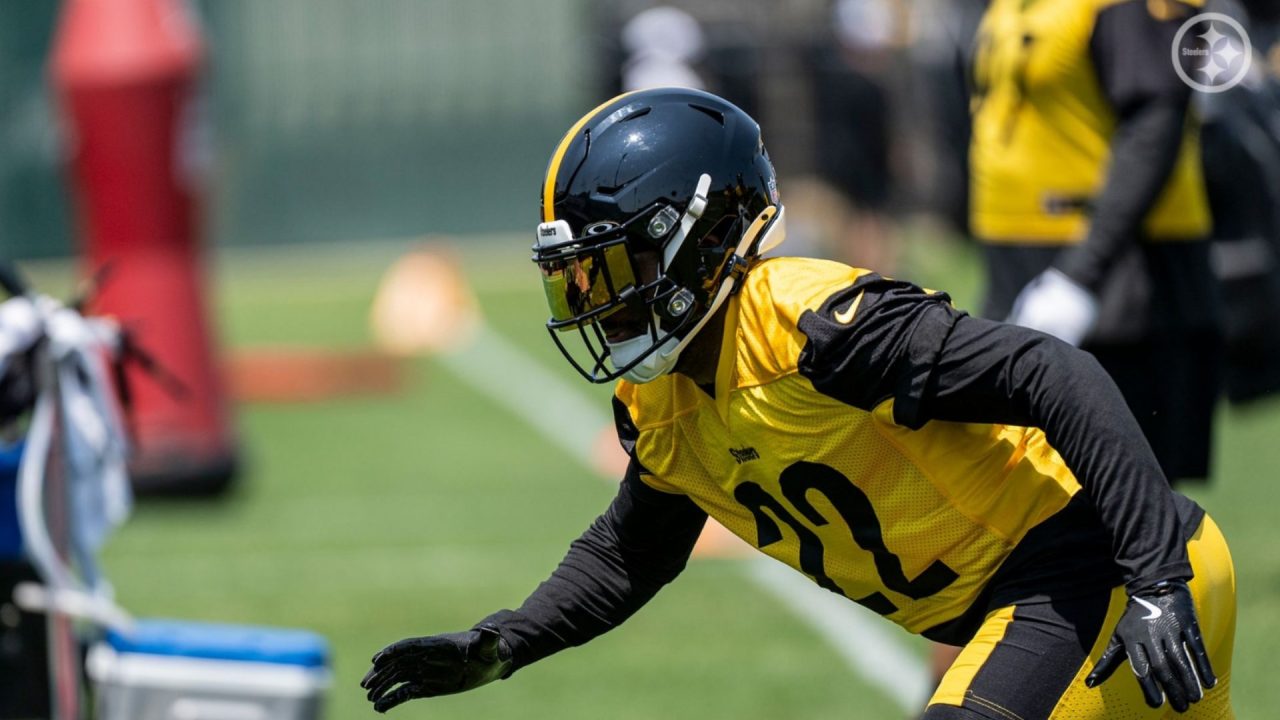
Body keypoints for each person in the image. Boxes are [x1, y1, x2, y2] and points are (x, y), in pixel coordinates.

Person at [361, 89, 1235, 718]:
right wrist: (506, 643)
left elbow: (1055, 373)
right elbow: (632, 551)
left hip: (1103, 569)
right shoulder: (661, 398)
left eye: (616, 271)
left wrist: (1156, 577)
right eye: (582, 280)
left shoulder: (809, 325)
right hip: (1045, 593)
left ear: (693, 241)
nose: (599, 304)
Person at [970, 0, 1223, 485]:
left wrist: (1078, 274)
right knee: (1027, 492)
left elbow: (1156, 119)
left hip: (1117, 275)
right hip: (1022, 263)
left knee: (1122, 500)